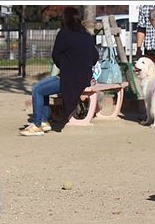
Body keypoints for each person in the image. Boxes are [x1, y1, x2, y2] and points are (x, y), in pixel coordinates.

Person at [21, 7, 99, 136]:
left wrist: (65, 66)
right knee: (43, 87)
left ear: (64, 19)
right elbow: (95, 57)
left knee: (37, 89)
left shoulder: (64, 33)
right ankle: (44, 120)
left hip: (68, 79)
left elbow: (55, 56)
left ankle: (37, 124)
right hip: (84, 79)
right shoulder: (86, 36)